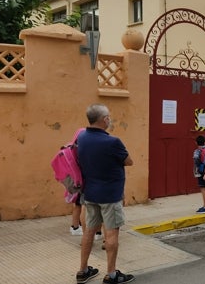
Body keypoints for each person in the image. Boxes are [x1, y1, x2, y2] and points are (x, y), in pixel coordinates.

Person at [76, 104, 135, 284]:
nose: (110, 119)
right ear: (104, 120)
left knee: (89, 231)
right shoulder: (112, 142)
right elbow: (129, 161)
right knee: (111, 233)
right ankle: (111, 274)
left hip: (90, 193)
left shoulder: (82, 137)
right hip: (110, 195)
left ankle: (83, 270)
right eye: (108, 117)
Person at [193, 135, 205, 213]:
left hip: (202, 172)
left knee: (204, 189)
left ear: (196, 143)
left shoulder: (197, 151)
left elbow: (196, 161)